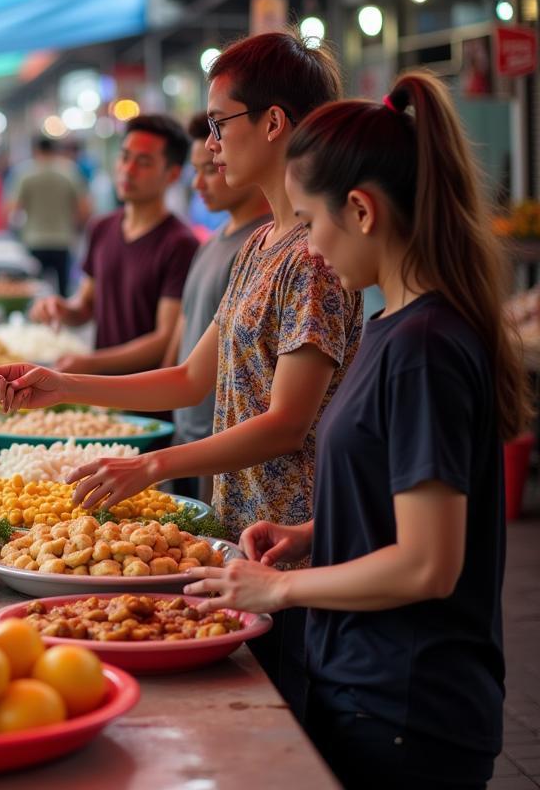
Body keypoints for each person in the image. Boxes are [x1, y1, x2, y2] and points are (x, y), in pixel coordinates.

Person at [0, 32, 362, 715]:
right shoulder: (258, 245)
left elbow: (286, 423)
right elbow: (193, 376)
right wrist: (65, 384)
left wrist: (153, 467)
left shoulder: (313, 258)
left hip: (297, 552)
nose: (211, 144)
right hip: (239, 540)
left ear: (274, 123)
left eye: (221, 123)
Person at [180, 72, 526, 790]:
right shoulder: (391, 325)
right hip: (368, 683)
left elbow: (430, 564)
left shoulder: (424, 348)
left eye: (309, 223)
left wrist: (280, 591)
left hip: (406, 706)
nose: (305, 248)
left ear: (362, 211)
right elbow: (398, 494)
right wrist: (313, 532)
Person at [30, 114, 198, 375]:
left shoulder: (180, 244)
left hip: (148, 397)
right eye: (125, 157)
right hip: (102, 394)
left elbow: (164, 340)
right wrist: (62, 308)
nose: (128, 170)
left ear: (173, 174)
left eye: (143, 162)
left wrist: (89, 364)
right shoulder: (102, 227)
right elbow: (86, 306)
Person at [164, 114, 270, 500]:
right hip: (186, 434)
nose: (199, 183)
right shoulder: (211, 243)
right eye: (197, 170)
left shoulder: (264, 251)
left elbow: (286, 421)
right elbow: (184, 347)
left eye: (209, 170)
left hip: (222, 444)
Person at [7, 137, 90, 297]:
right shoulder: (70, 171)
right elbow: (84, 208)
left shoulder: (25, 173)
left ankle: (37, 321)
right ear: (55, 150)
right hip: (62, 239)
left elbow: (13, 208)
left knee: (35, 292)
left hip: (34, 239)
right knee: (63, 292)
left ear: (35, 150)